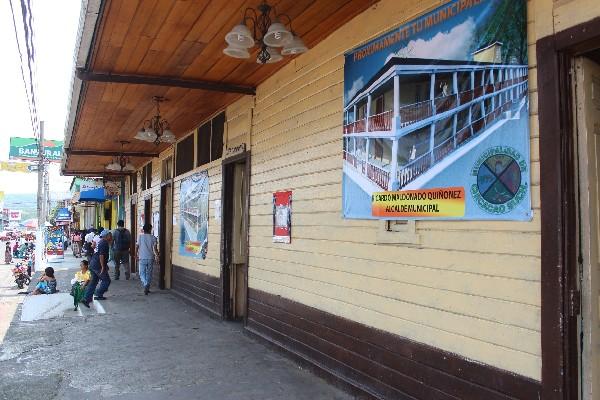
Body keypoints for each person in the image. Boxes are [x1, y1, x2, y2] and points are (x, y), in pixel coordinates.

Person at [81, 230, 112, 307]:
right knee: (106, 280)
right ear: (107, 236)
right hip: (98, 265)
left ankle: (86, 298)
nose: (111, 236)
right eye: (110, 235)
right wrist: (102, 267)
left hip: (93, 264)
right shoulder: (104, 243)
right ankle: (98, 293)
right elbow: (101, 255)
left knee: (93, 282)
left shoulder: (101, 242)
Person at [136, 223, 159, 295]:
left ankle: (146, 284)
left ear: (143, 230)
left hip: (142, 257)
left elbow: (137, 247)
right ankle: (147, 286)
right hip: (150, 257)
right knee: (149, 273)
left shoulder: (140, 237)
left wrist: (136, 255)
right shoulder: (153, 238)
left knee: (141, 273)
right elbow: (155, 249)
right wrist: (157, 256)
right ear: (150, 229)